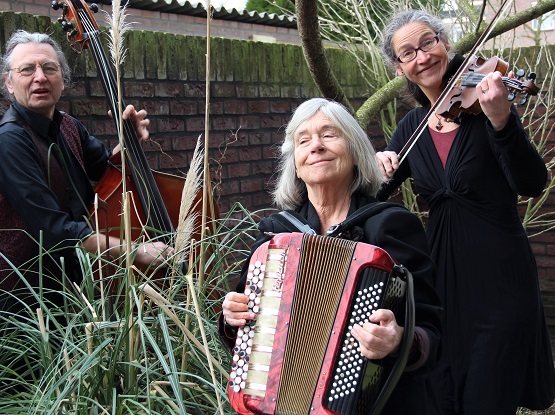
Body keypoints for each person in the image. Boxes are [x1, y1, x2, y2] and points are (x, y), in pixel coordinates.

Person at [376, 9, 555, 414]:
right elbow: (371, 197)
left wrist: (502, 121)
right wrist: (377, 165)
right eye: (408, 53)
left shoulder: (488, 110)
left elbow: (532, 183)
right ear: (400, 68)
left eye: (428, 43)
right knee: (445, 396)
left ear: (445, 43)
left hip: (501, 280)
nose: (422, 57)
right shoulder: (410, 127)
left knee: (488, 397)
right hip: (440, 284)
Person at [219, 98, 442, 414]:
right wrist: (232, 318)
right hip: (279, 403)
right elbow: (247, 334)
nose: (316, 146)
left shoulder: (391, 225)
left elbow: (434, 329)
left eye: (329, 134)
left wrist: (398, 340)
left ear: (355, 152)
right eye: (303, 140)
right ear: (295, 162)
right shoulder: (275, 233)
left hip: (379, 403)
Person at [0, 30, 173, 314]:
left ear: (63, 80)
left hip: (76, 285)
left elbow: (107, 169)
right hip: (29, 301)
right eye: (27, 69)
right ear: (9, 82)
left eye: (49, 68)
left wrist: (129, 139)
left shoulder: (68, 125)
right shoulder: (10, 140)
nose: (40, 77)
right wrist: (137, 250)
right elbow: (52, 228)